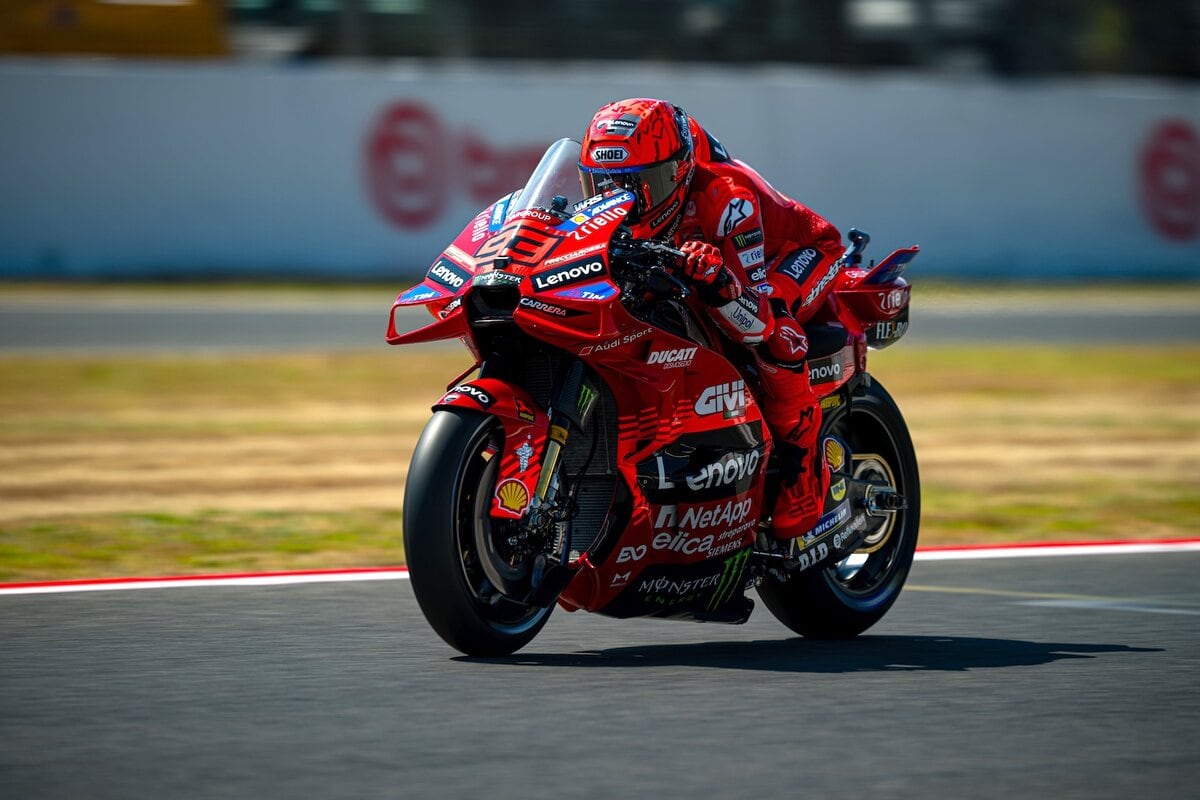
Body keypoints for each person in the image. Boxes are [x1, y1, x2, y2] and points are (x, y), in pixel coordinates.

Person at [578, 97, 846, 540]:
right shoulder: (622, 209)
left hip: (798, 255)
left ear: (679, 171)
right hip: (714, 262)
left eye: (640, 184)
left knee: (776, 335)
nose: (621, 201)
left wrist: (722, 283)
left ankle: (804, 465)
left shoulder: (726, 200)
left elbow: (756, 319)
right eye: (605, 185)